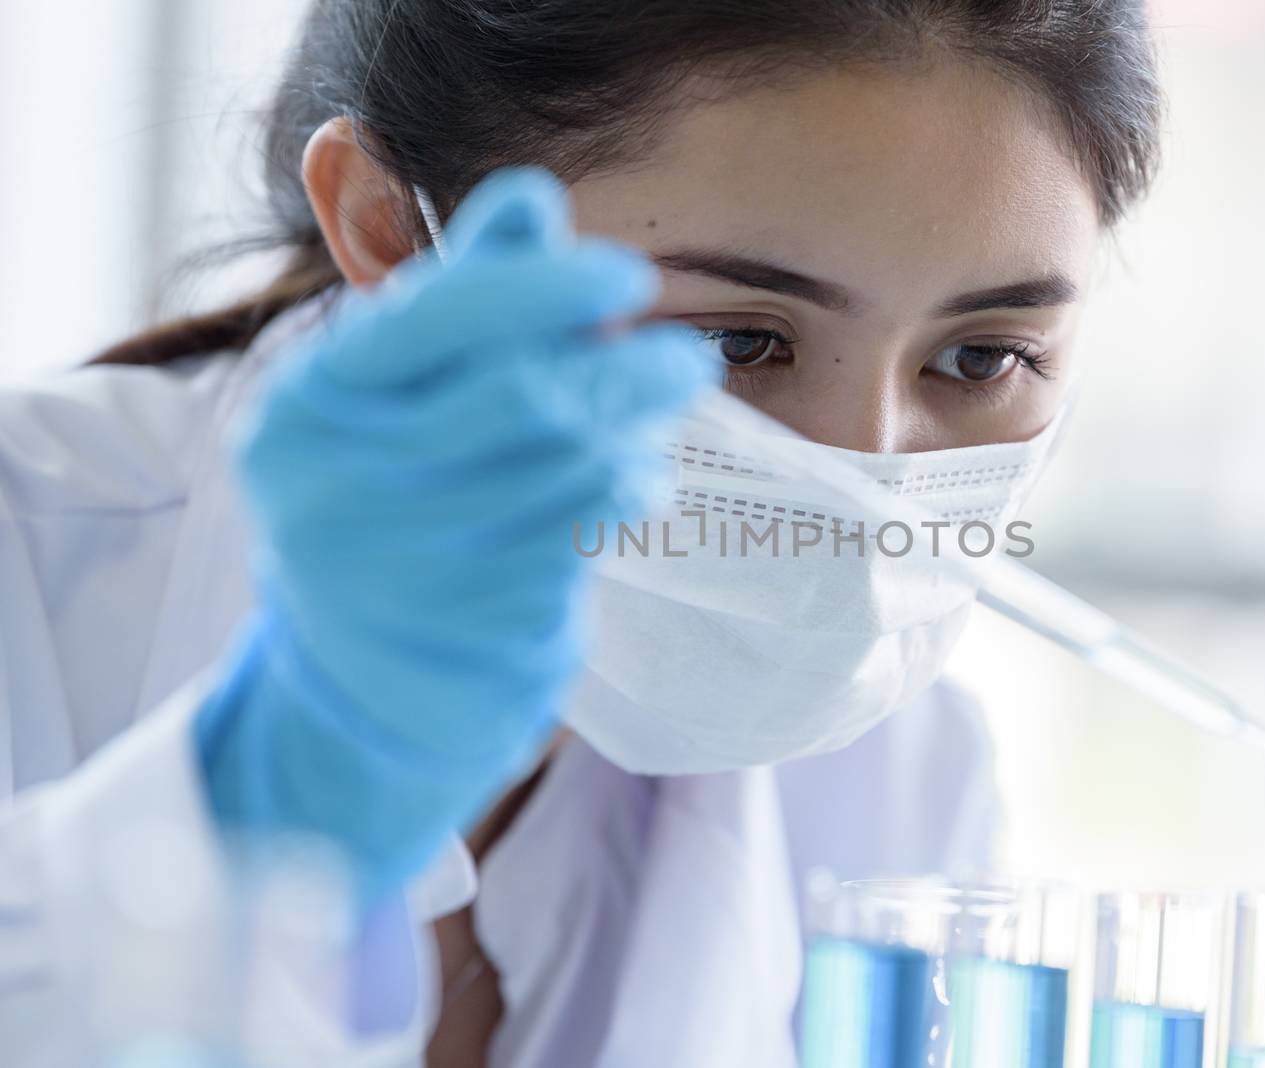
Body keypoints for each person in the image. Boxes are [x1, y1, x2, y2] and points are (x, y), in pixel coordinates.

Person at [0, 1, 1161, 1064]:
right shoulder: (29, 560)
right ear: (391, 231)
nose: (864, 475)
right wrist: (248, 813)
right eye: (736, 343)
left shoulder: (902, 779)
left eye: (982, 358)